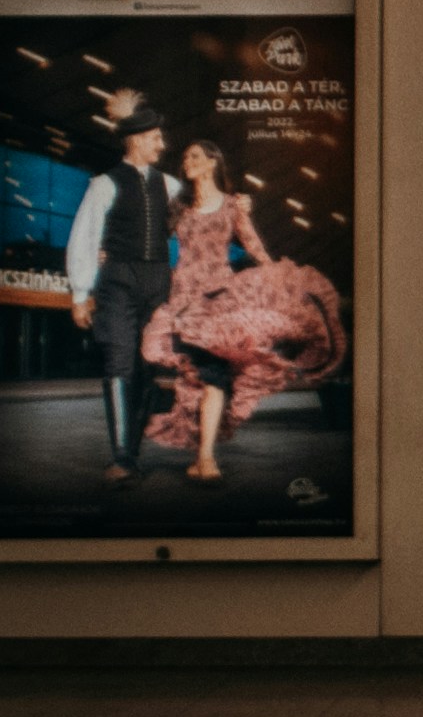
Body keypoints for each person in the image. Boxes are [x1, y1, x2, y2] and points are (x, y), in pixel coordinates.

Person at [139, 139, 350, 484]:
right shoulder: (178, 207)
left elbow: (255, 247)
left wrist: (281, 280)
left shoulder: (233, 206)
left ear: (211, 162)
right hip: (183, 302)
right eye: (185, 156)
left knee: (213, 376)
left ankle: (205, 458)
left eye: (194, 156)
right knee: (197, 379)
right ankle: (200, 456)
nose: (186, 161)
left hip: (218, 303)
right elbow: (150, 242)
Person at [63, 105, 179, 487]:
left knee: (146, 366)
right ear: (136, 140)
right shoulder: (104, 184)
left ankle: (132, 452)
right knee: (119, 361)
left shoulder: (172, 186)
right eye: (155, 139)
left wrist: (235, 205)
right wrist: (81, 293)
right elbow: (85, 235)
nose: (162, 145)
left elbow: (199, 220)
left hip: (157, 281)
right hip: (117, 281)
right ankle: (122, 457)